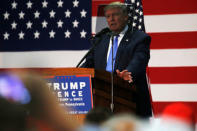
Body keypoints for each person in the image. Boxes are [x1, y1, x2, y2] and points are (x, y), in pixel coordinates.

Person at [82, 1, 152, 117]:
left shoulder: (139, 38)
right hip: (102, 101)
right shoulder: (100, 38)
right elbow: (89, 63)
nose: (111, 19)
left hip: (131, 100)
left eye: (115, 14)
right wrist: (76, 75)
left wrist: (129, 73)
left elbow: (139, 60)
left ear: (125, 17)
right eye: (108, 16)